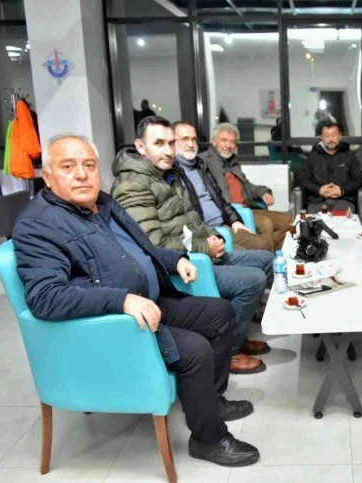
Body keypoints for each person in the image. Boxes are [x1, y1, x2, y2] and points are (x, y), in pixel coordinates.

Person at [12, 134, 260, 466]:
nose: (82, 174)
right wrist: (122, 301)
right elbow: (46, 298)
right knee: (195, 349)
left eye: (89, 165)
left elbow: (140, 248)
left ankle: (210, 402)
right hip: (120, 323)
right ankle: (208, 438)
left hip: (150, 302)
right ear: (48, 176)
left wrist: (174, 259)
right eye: (68, 167)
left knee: (221, 312)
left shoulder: (104, 203)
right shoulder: (38, 225)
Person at [111, 116, 273, 375]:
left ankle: (237, 335)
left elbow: (193, 217)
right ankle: (230, 352)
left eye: (170, 143)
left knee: (266, 261)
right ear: (141, 147)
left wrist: (215, 237)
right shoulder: (133, 185)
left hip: (199, 253)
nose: (168, 150)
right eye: (159, 143)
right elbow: (153, 245)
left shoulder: (169, 174)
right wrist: (204, 247)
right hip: (177, 270)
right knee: (253, 280)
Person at [197, 122, 292, 251]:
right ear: (214, 141)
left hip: (247, 207)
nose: (228, 145)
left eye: (232, 142)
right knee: (266, 223)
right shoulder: (204, 161)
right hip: (233, 212)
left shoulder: (233, 160)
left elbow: (246, 185)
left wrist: (263, 192)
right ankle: (268, 257)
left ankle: (272, 252)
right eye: (224, 140)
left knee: (286, 219)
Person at [298, 120, 362, 214]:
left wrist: (342, 190)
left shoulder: (349, 156)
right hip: (317, 201)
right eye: (326, 136)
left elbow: (360, 180)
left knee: (341, 220)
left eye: (334, 135)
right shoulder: (312, 156)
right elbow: (302, 180)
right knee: (318, 220)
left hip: (344, 200)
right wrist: (319, 190)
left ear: (340, 136)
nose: (331, 139)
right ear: (322, 138)